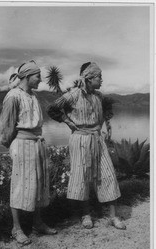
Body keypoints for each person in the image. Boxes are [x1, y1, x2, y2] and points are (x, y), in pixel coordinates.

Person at [47, 62, 126, 230]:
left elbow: (107, 110)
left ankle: (113, 216)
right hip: (80, 140)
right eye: (99, 77)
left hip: (97, 139)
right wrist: (68, 121)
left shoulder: (99, 96)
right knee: (83, 177)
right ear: (89, 78)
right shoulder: (73, 95)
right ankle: (86, 214)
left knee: (108, 174)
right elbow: (52, 109)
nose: (102, 80)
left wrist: (102, 123)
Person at [0, 60, 57, 246]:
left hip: (37, 144)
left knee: (38, 183)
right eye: (37, 76)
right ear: (27, 76)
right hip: (22, 145)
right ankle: (16, 228)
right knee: (19, 185)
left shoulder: (33, 96)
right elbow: (6, 126)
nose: (40, 79)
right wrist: (12, 146)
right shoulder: (13, 96)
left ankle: (37, 223)